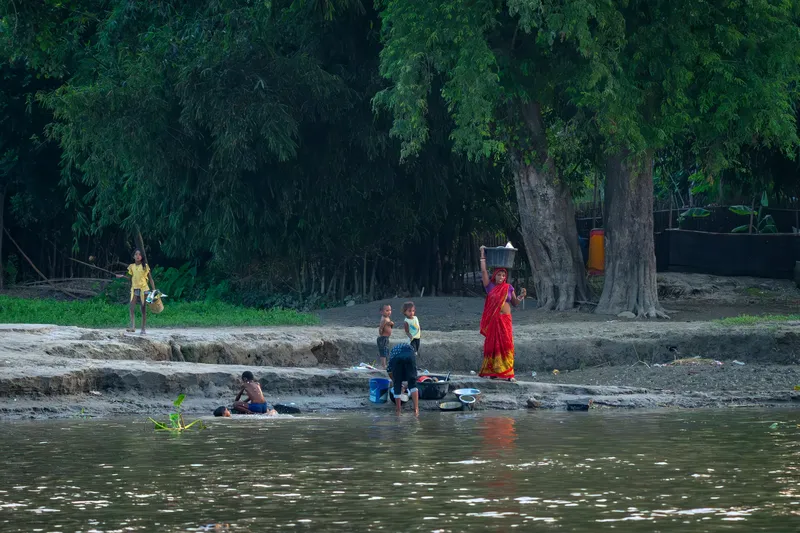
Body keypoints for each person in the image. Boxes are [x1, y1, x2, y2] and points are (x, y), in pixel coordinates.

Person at [479, 246, 527, 382]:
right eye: (499, 275)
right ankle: (494, 372)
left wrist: (521, 296)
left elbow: (515, 303)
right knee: (493, 346)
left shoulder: (508, 288)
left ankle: (509, 374)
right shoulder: (490, 286)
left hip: (505, 321)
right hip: (494, 321)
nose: (501, 277)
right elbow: (483, 271)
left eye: (503, 275)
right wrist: (482, 254)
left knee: (507, 345)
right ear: (494, 275)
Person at [116, 249, 155, 335]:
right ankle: (133, 327)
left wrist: (154, 290)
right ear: (133, 256)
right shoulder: (131, 266)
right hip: (134, 289)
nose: (138, 256)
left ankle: (143, 328)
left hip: (144, 289)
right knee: (131, 307)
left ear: (142, 257)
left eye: (139, 254)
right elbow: (130, 278)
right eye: (136, 254)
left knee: (143, 308)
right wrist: (122, 276)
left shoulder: (145, 266)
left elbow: (150, 279)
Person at [387, 343, 419, 416]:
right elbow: (413, 375)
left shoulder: (393, 353)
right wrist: (407, 385)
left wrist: (396, 381)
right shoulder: (411, 351)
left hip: (397, 358)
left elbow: (389, 370)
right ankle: (416, 409)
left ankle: (398, 411)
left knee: (397, 385)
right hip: (409, 356)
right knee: (413, 383)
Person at [377, 304, 394, 369]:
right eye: (387, 310)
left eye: (390, 310)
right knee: (383, 352)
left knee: (386, 351)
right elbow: (381, 328)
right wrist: (381, 335)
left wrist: (391, 324)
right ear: (381, 312)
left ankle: (385, 364)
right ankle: (383, 365)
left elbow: (389, 327)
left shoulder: (387, 318)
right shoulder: (384, 319)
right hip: (383, 338)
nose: (389, 312)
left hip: (386, 338)